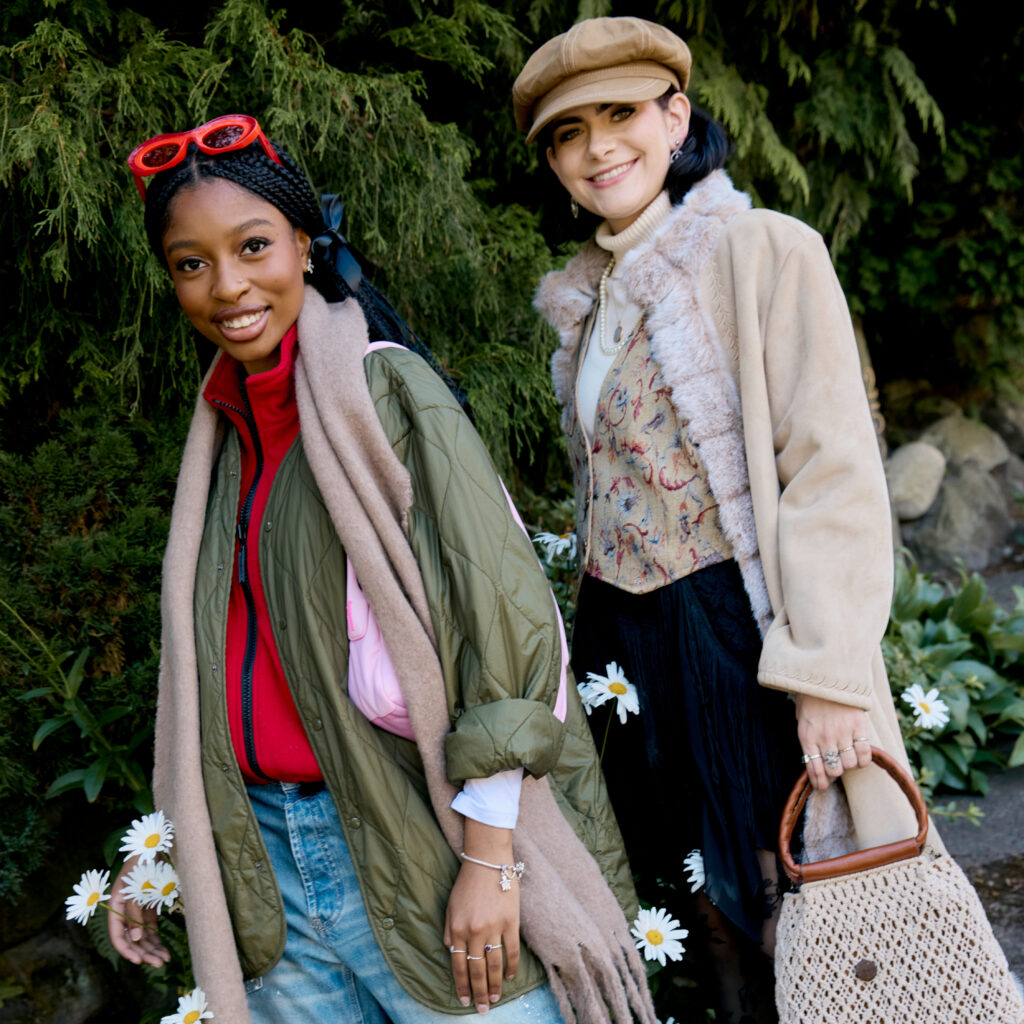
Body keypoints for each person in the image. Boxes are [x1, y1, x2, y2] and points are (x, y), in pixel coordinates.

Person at [106, 114, 657, 1024]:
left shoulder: (385, 395)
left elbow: (505, 624)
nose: (227, 286)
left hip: (424, 839)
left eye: (252, 247)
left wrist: (490, 859)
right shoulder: (222, 447)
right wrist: (165, 846)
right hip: (267, 867)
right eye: (191, 263)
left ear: (305, 246)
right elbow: (214, 681)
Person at [513, 17, 934, 1023]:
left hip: (741, 632)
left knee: (788, 887)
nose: (597, 147)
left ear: (676, 117)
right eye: (569, 133)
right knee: (688, 903)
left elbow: (831, 471)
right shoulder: (589, 296)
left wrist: (826, 673)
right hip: (628, 638)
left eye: (620, 115)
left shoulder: (761, 250)